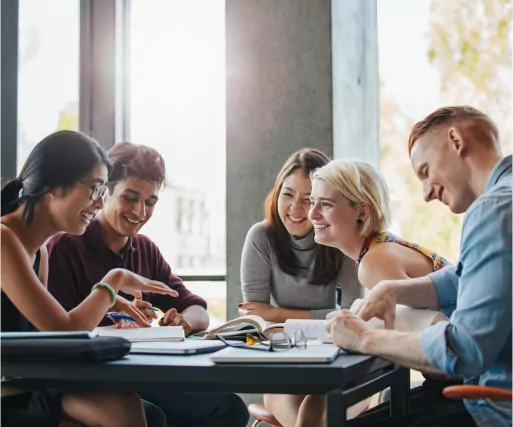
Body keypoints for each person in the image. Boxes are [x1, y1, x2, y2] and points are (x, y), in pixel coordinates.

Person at [325, 106, 512, 427]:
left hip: (495, 407)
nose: (426, 194)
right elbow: (468, 275)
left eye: (425, 171)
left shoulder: (493, 211)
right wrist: (394, 289)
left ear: (455, 140)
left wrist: (363, 338)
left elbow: (464, 351)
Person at [46, 141, 249, 427]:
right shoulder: (66, 246)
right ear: (105, 193)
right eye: (130, 198)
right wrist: (115, 329)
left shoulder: (144, 249)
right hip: (83, 381)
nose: (141, 212)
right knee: (153, 417)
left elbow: (198, 310)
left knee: (228, 409)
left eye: (150, 202)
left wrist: (183, 321)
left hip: (137, 377)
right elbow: (58, 337)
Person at [1, 130, 176, 427]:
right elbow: (64, 333)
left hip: (27, 383)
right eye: (95, 189)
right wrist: (114, 281)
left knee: (136, 410)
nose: (99, 203)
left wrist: (107, 303)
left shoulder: (40, 252)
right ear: (53, 186)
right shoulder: (4, 240)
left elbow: (50, 339)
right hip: (7, 393)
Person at [268, 158, 451, 427]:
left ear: (362, 213)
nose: (312, 214)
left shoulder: (375, 262)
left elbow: (413, 340)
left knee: (310, 410)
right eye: (313, 202)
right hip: (457, 373)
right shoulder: (381, 249)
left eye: (326, 204)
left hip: (465, 385)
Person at [239, 148, 363, 427]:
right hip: (285, 364)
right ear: (277, 192)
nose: (295, 209)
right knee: (307, 422)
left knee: (324, 416)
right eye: (287, 194)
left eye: (308, 200)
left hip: (337, 362)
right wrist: (317, 317)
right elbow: (255, 320)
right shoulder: (261, 237)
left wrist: (279, 314)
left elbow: (352, 318)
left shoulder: (341, 239)